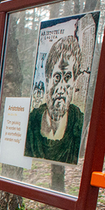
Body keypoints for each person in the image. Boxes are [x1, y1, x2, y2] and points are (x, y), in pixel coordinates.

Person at [24, 35, 85, 165]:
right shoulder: (32, 120)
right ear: (47, 80)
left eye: (67, 77)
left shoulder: (79, 123)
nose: (61, 87)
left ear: (74, 83)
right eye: (57, 77)